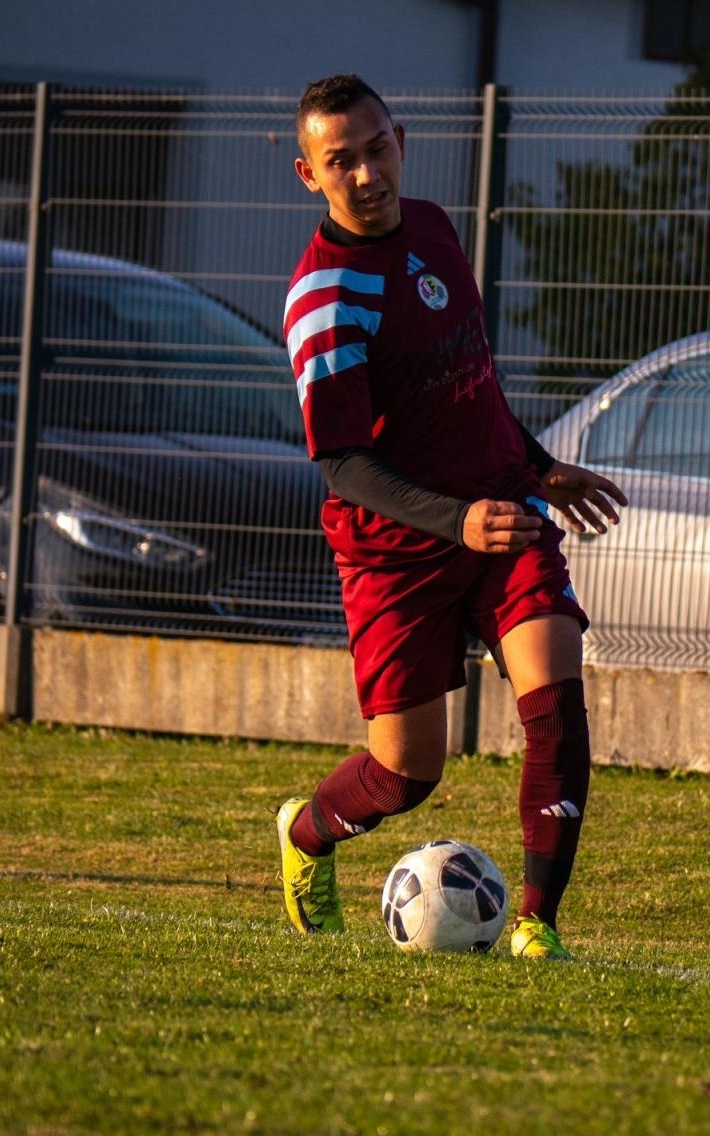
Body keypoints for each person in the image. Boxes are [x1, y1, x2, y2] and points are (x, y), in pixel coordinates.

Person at [275, 74, 627, 960]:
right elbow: (342, 463)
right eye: (341, 161)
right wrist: (454, 519)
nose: (366, 174)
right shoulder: (323, 300)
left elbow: (473, 380)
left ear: (402, 141)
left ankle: (538, 926)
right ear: (309, 174)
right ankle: (306, 835)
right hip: (395, 552)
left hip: (502, 513)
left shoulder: (434, 228)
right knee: (405, 774)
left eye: (377, 148)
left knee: (555, 701)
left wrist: (539, 467)